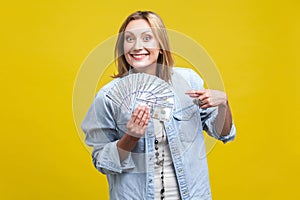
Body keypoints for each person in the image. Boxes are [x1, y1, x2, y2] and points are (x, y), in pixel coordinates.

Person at [81, 11, 236, 200]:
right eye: (129, 39)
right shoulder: (108, 97)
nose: (137, 46)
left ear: (161, 46)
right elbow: (103, 162)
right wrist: (131, 137)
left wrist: (224, 105)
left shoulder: (189, 81)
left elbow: (223, 133)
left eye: (147, 38)